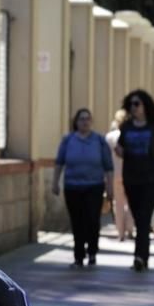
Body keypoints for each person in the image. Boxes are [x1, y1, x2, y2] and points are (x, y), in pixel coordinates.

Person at [115, 89, 154, 272]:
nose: (133, 107)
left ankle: (139, 256)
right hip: (131, 178)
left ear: (145, 105)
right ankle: (142, 256)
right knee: (139, 219)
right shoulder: (127, 127)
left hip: (152, 179)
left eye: (137, 103)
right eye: (131, 104)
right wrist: (118, 149)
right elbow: (121, 149)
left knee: (144, 216)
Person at [52, 108, 113, 268]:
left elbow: (108, 166)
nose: (85, 122)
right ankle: (79, 255)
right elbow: (59, 162)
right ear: (76, 122)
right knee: (77, 221)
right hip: (73, 187)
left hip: (94, 186)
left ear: (91, 122)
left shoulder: (99, 140)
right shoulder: (68, 140)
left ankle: (92, 251)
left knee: (93, 219)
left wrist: (110, 187)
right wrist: (55, 182)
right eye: (81, 119)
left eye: (87, 119)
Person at [104, 109, 134, 241]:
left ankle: (120, 232)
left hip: (114, 173)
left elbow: (105, 157)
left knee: (119, 203)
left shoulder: (109, 136)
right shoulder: (132, 135)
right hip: (129, 172)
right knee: (131, 203)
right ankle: (130, 229)